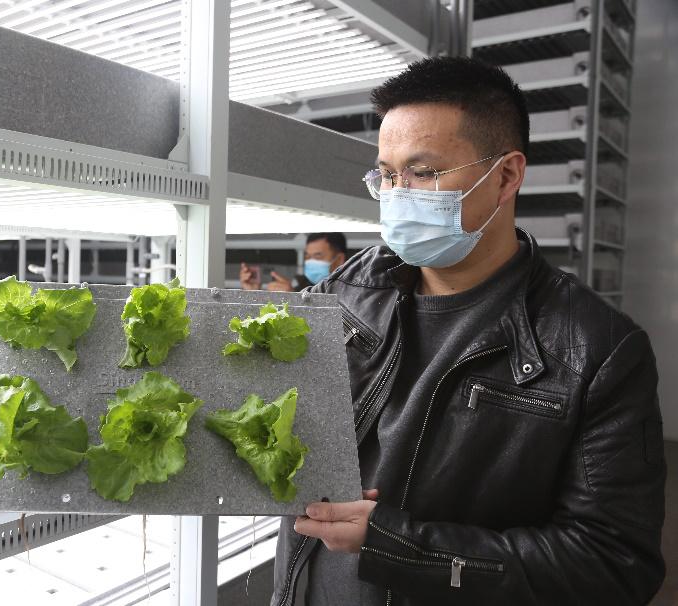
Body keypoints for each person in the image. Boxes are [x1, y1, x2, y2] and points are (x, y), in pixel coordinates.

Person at [270, 57, 666, 606]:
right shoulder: (344, 293)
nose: (397, 194)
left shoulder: (595, 351)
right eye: (386, 174)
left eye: (423, 173)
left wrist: (404, 547)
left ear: (506, 175)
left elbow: (612, 565)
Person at [239, 232, 348, 292]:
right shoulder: (301, 286)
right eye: (308, 256)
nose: (310, 262)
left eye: (317, 256)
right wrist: (253, 293)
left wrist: (294, 301)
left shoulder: (351, 291)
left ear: (339, 259)